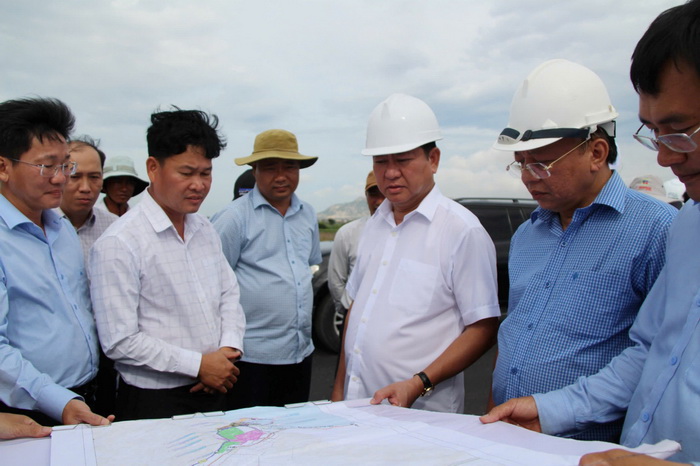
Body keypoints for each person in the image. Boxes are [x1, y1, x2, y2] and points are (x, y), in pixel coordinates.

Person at [482, 1, 700, 463]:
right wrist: (530, 403)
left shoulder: (656, 230)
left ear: (597, 152)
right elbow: (653, 351)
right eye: (520, 163)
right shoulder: (528, 236)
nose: (528, 176)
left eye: (541, 161)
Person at [331, 93, 499, 413]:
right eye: (381, 162)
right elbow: (357, 314)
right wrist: (339, 391)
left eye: (403, 160)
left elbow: (483, 327)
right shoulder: (373, 226)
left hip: (422, 417)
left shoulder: (462, 231)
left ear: (433, 159)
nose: (390, 172)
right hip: (356, 409)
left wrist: (419, 383)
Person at [89, 108, 246, 420]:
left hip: (218, 384)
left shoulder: (205, 229)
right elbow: (119, 340)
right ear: (152, 167)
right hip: (156, 400)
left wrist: (228, 351)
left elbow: (229, 295)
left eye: (206, 173)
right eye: (186, 173)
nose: (199, 185)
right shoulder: (120, 242)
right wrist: (199, 365)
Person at [0, 97, 112, 427]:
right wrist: (59, 401)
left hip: (89, 394)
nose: (61, 178)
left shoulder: (61, 228)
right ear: (4, 167)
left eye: (66, 165)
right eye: (48, 166)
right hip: (30, 411)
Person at [212, 129, 321, 409]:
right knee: (249, 439)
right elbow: (211, 287)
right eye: (270, 168)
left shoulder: (307, 214)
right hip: (250, 360)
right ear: (255, 170)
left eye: (290, 167)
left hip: (300, 354)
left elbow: (308, 264)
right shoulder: (233, 218)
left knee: (293, 438)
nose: (281, 176)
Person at [327, 171, 385, 313]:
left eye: (383, 194)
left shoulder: (409, 232)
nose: (379, 201)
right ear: (366, 196)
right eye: (373, 194)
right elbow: (336, 281)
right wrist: (348, 311)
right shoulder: (348, 233)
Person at [58, 136, 118, 263]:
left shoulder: (115, 227)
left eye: (94, 177)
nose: (85, 188)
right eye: (75, 177)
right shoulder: (37, 224)